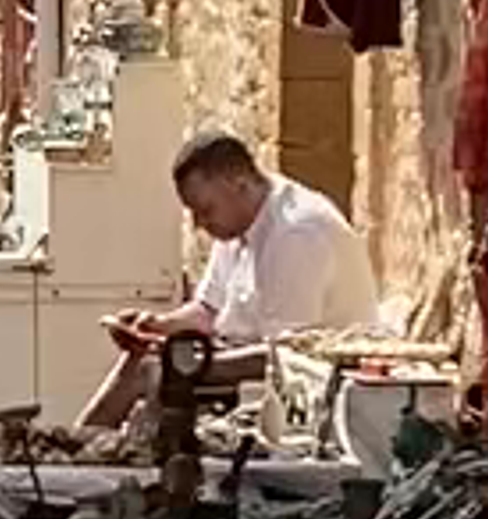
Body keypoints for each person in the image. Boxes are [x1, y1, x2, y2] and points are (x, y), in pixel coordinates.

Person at [89, 123, 381, 430]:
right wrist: (155, 326)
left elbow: (283, 356)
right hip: (242, 359)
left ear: (238, 184)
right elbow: (209, 310)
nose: (200, 223)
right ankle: (76, 447)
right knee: (140, 362)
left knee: (154, 371)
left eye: (206, 210)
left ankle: (84, 450)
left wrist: (189, 365)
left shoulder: (296, 233)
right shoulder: (237, 223)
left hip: (305, 386)